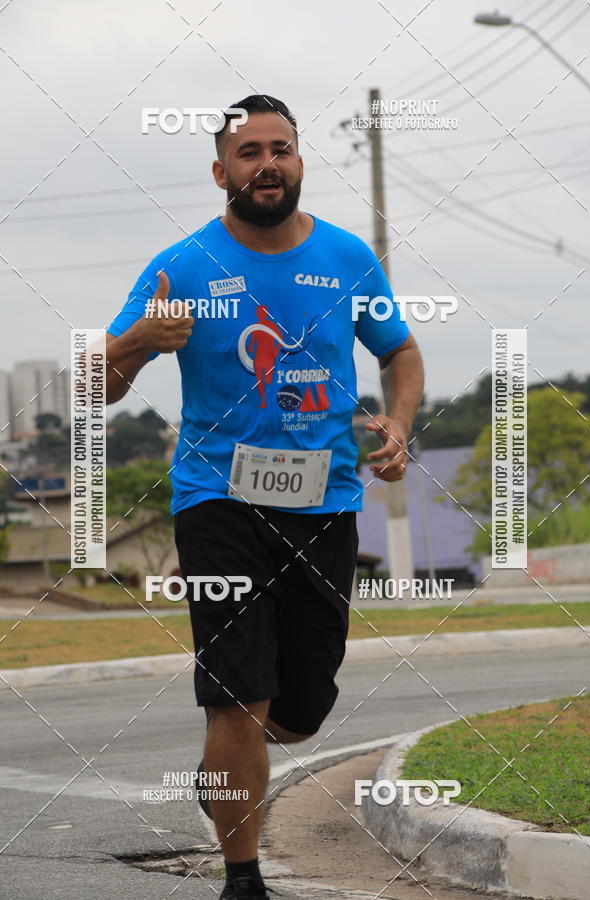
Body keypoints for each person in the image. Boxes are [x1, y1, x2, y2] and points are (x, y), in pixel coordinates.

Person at [105, 94, 424, 900]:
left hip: (326, 504)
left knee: (302, 706)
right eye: (249, 153)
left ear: (300, 162)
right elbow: (93, 387)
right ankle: (242, 875)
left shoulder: (349, 258)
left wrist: (399, 423)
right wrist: (137, 341)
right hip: (218, 502)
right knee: (237, 698)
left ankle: (233, 750)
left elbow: (401, 349)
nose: (267, 163)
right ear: (222, 171)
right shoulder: (180, 265)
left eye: (280, 148)